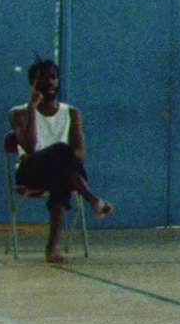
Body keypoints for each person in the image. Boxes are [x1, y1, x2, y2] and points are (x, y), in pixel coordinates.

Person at [7, 59, 113, 263]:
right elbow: (29, 147)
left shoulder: (71, 113)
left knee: (61, 175)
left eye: (53, 77)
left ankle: (52, 250)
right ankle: (93, 200)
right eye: (43, 77)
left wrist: (60, 160)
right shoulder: (18, 113)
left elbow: (79, 153)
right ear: (32, 82)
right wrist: (32, 109)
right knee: (62, 150)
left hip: (61, 171)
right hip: (30, 169)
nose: (50, 82)